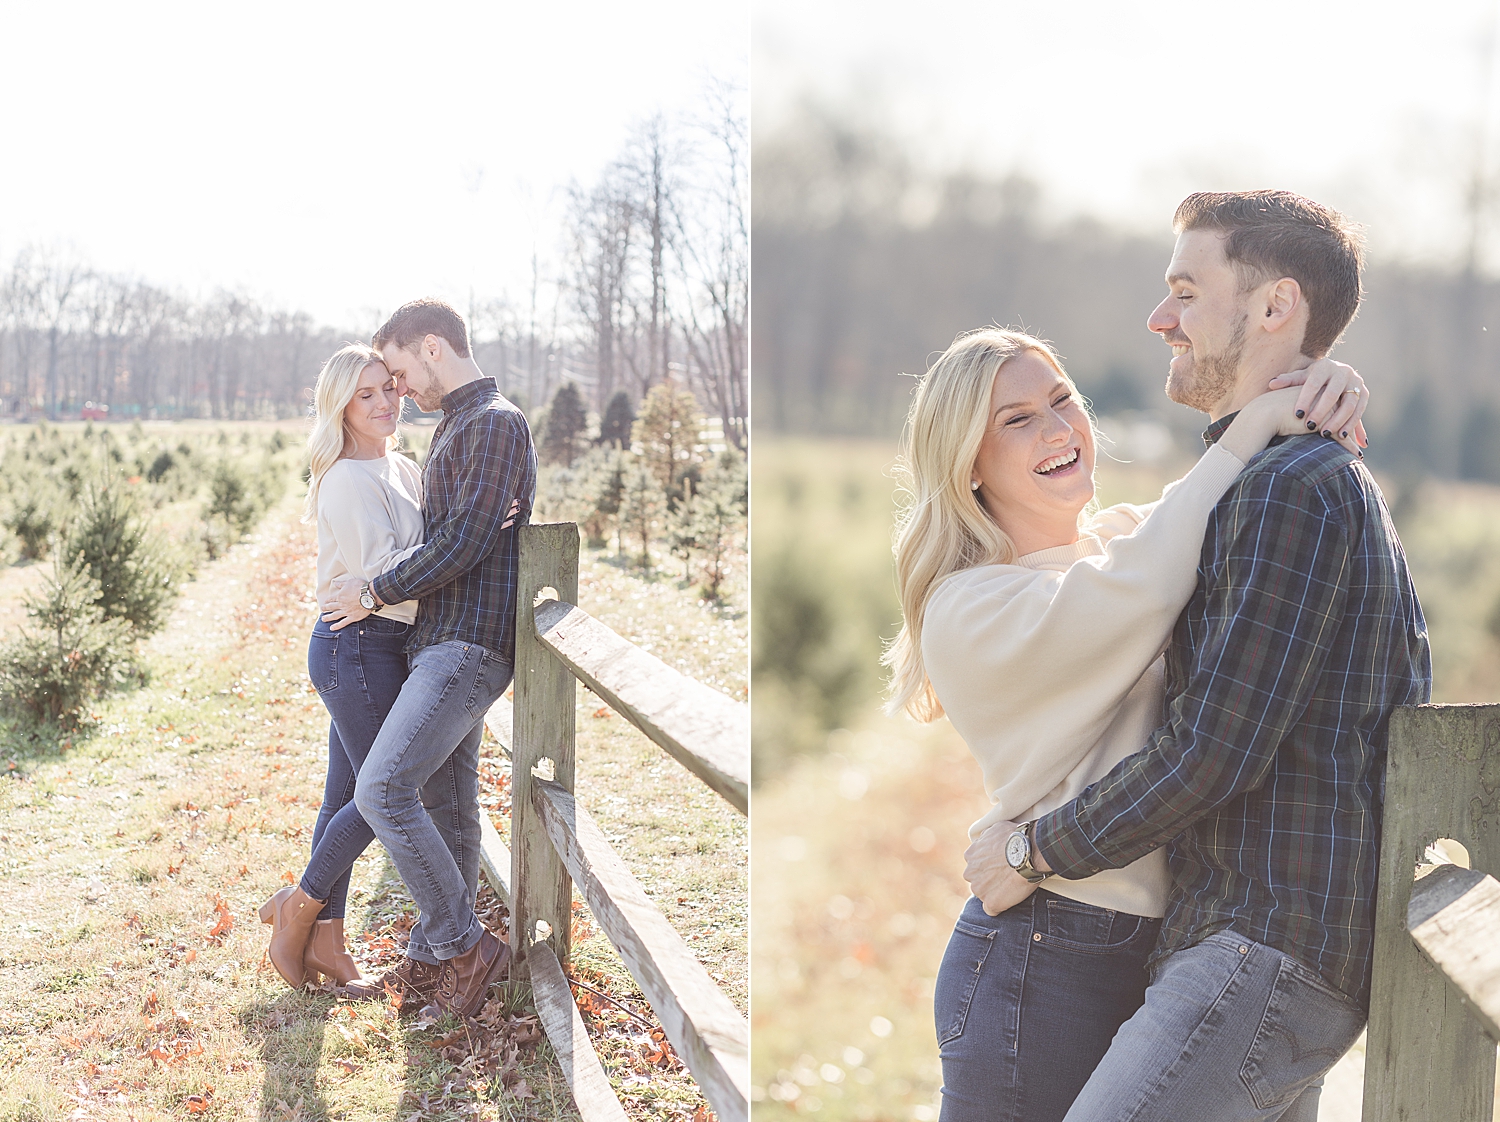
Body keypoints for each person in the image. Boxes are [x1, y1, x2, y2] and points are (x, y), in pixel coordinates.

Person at [962, 191, 1431, 1122]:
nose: (1159, 317)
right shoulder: (1264, 481)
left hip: (1265, 949)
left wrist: (1032, 848)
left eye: (1185, 289)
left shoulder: (1292, 490)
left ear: (1272, 308)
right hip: (1252, 949)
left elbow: (1214, 747)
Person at [885, 325, 1367, 1121]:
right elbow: (1147, 578)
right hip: (1043, 957)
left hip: (1150, 942)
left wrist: (1319, 386)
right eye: (1016, 419)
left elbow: (1217, 506)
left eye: (1062, 400)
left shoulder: (1112, 544)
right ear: (967, 462)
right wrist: (1254, 425)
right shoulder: (971, 607)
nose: (1056, 428)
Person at [320, 298, 537, 1021]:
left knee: (381, 790)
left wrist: (377, 587)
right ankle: (431, 954)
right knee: (447, 807)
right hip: (435, 646)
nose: (401, 389)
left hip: (468, 647)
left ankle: (465, 945)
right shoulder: (454, 430)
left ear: (435, 348)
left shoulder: (495, 423)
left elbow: (463, 545)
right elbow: (451, 533)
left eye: (404, 370)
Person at [260, 343, 438, 991]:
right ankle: (297, 907)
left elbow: (422, 551)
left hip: (381, 647)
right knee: (384, 792)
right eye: (366, 395)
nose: (385, 402)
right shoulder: (346, 479)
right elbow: (394, 578)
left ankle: (326, 945)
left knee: (346, 795)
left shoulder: (402, 468)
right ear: (340, 405)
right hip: (356, 648)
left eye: (388, 388)